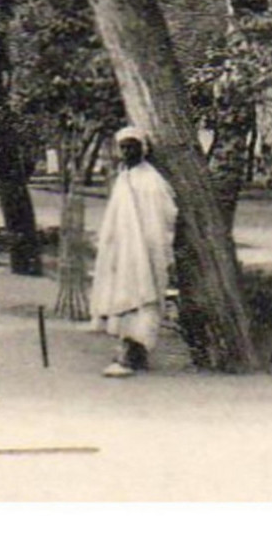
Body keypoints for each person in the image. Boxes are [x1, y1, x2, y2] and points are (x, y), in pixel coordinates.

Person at [89, 127, 178, 378]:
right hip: (124, 251)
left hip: (145, 250)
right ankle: (131, 351)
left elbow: (163, 216)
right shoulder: (124, 177)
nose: (127, 151)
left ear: (143, 149)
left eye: (132, 146)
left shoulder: (150, 181)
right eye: (124, 147)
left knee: (144, 298)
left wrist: (151, 248)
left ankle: (133, 354)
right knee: (125, 297)